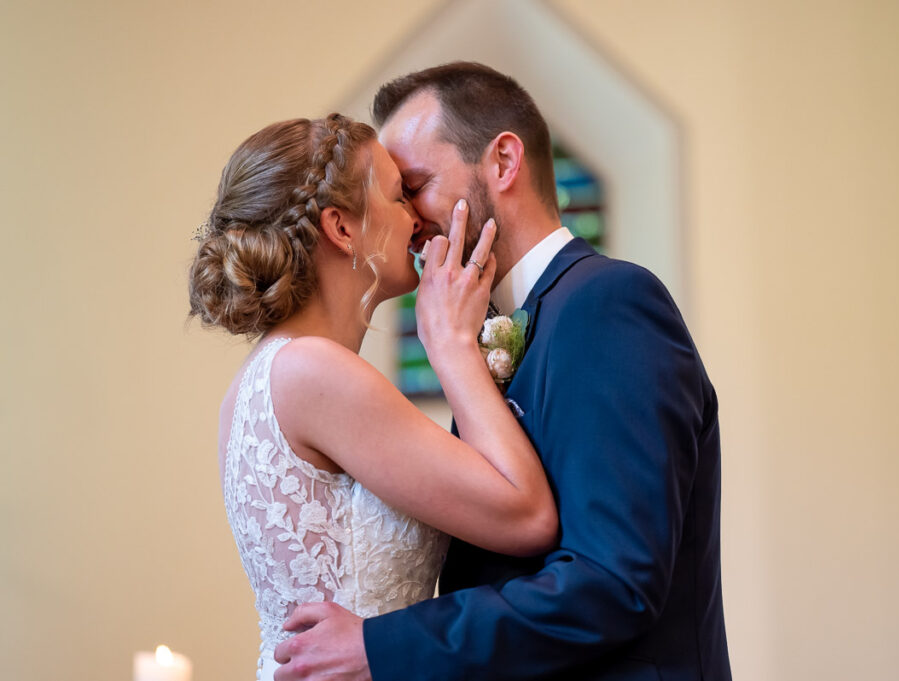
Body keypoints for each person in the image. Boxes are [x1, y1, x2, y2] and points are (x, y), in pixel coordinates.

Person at [273, 63, 732, 680]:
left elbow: (614, 581)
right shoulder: (497, 325)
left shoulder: (609, 303)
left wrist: (383, 647)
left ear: (504, 162)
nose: (408, 218)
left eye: (416, 184)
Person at [188, 113, 558, 681]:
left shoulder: (266, 374)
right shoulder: (315, 371)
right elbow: (528, 515)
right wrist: (452, 346)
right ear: (340, 228)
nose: (416, 218)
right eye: (397, 195)